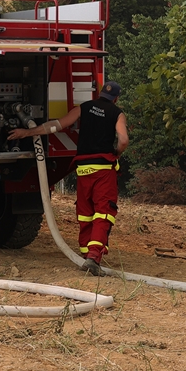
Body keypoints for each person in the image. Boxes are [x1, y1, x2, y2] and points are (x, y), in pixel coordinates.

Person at [9, 81, 128, 275]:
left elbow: (56, 126)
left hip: (83, 170)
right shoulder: (117, 113)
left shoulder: (84, 107)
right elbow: (123, 140)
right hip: (103, 169)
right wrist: (117, 153)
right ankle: (93, 257)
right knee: (103, 213)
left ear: (99, 94)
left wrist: (27, 132)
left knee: (85, 213)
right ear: (116, 98)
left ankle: (85, 255)